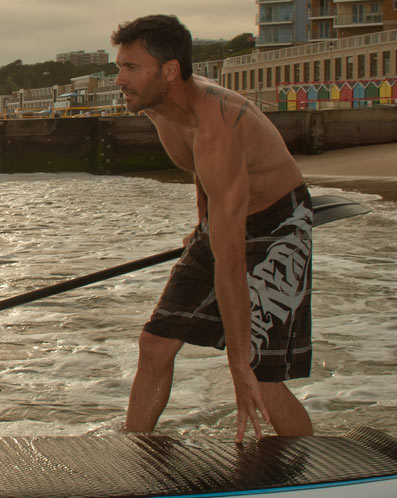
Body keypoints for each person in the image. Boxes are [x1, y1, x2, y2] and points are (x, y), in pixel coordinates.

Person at [111, 15, 314, 442]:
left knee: (261, 376)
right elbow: (202, 172)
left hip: (278, 223)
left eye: (131, 68)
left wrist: (239, 363)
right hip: (227, 213)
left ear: (168, 71)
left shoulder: (218, 125)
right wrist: (202, 223)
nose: (120, 79)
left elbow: (232, 259)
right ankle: (131, 452)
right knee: (155, 345)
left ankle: (312, 467)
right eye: (119, 67)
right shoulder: (158, 109)